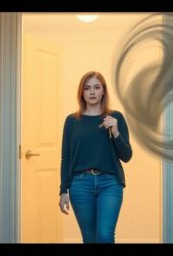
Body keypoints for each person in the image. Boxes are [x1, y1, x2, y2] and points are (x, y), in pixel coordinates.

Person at [58, 70, 132, 243]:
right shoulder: (71, 121)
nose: (92, 92)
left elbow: (127, 156)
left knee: (105, 236)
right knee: (90, 238)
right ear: (81, 92)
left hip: (110, 183)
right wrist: (63, 190)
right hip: (80, 184)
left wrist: (115, 132)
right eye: (87, 88)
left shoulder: (115, 117)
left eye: (96, 87)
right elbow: (66, 158)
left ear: (103, 91)